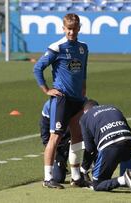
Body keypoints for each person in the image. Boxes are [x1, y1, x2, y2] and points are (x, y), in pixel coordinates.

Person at [33, 13, 89, 189]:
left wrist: (83, 89)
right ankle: (48, 178)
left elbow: (83, 71)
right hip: (62, 99)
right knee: (55, 137)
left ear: (79, 28)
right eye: (68, 29)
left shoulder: (83, 48)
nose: (71, 32)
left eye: (74, 29)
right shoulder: (57, 48)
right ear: (63, 29)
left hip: (77, 100)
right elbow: (37, 68)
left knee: (77, 136)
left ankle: (76, 176)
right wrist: (47, 89)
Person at [79, 100, 131, 194]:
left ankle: (124, 179)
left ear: (84, 111)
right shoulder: (113, 107)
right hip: (129, 145)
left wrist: (83, 169)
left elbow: (90, 149)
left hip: (111, 147)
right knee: (106, 171)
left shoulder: (84, 118)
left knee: (97, 184)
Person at [39, 99, 94, 184]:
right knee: (58, 178)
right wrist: (57, 155)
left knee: (94, 146)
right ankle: (50, 177)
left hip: (81, 140)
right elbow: (45, 136)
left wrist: (85, 166)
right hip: (61, 145)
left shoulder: (83, 102)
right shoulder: (50, 106)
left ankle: (86, 172)